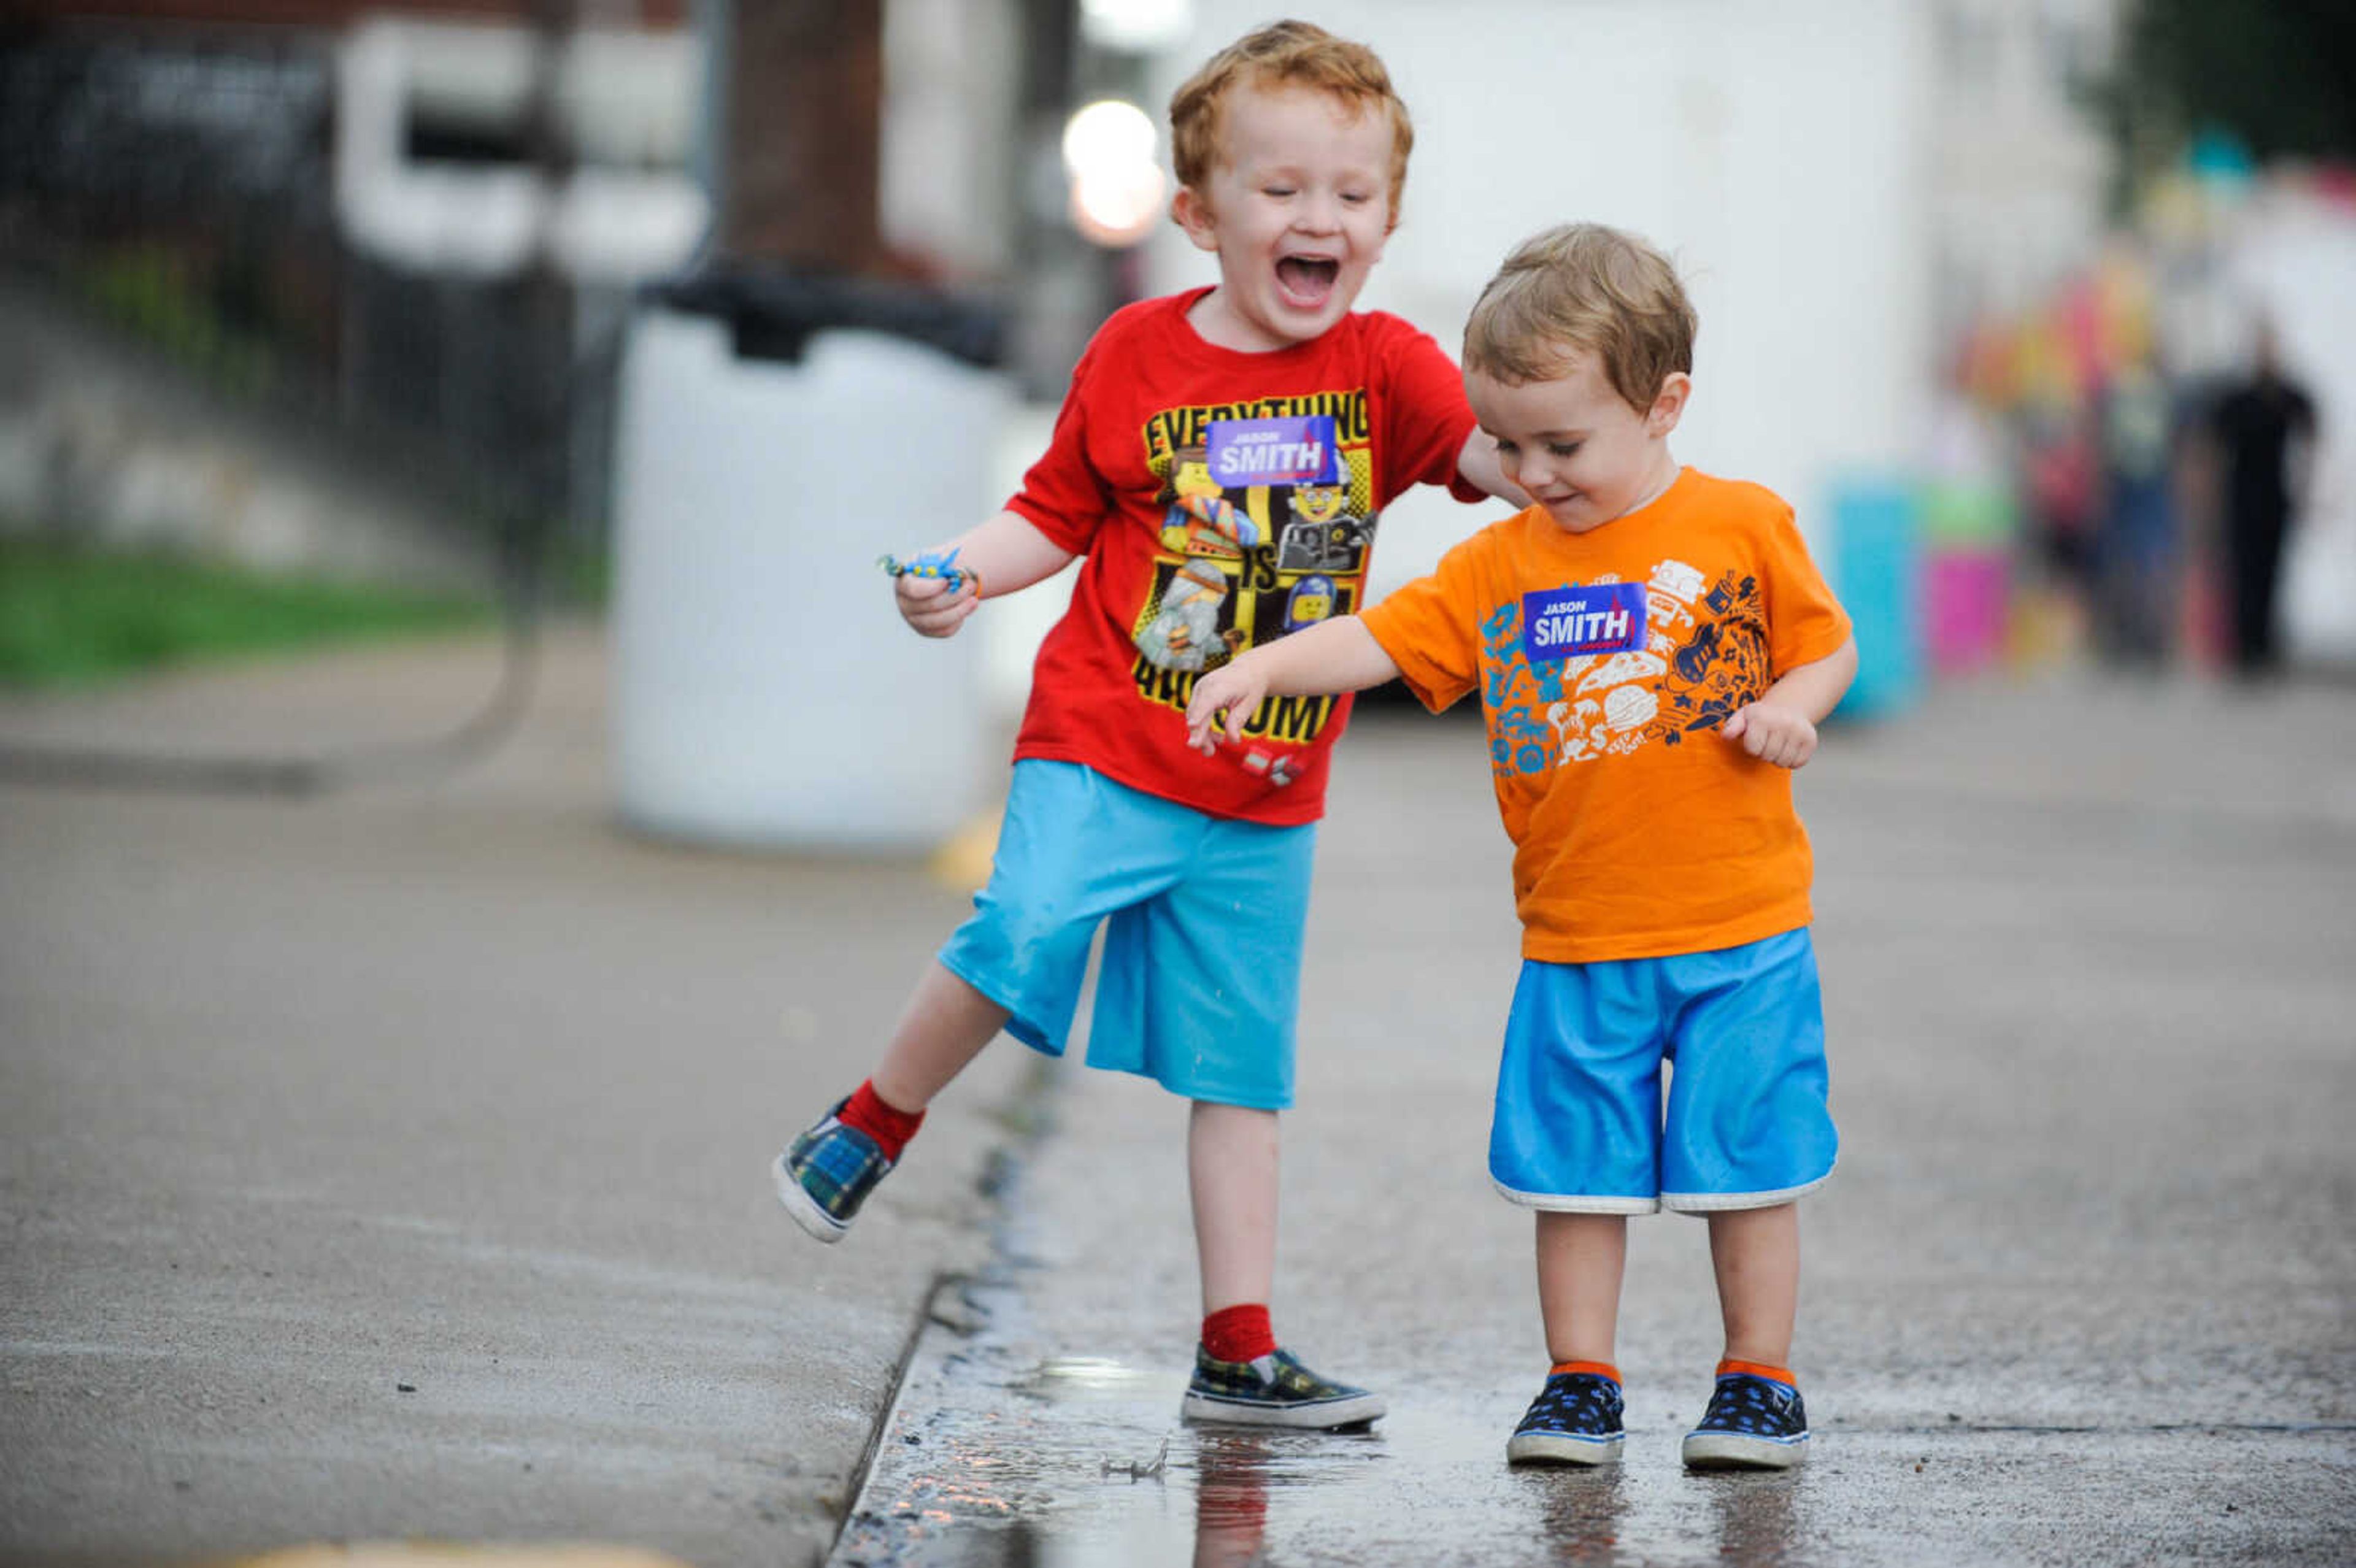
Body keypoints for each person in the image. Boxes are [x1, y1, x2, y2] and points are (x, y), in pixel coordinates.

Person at [772, 20, 1515, 1431]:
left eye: (1351, 197)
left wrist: (1586, 475)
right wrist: (961, 571)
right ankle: (872, 1120)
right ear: (1198, 213)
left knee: (1241, 1077)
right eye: (1282, 188)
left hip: (1264, 791)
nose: (1320, 219)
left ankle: (1238, 1348)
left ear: (1387, 219)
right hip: (1104, 740)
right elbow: (1048, 511)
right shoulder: (1134, 354)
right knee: (1019, 928)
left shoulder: (1386, 369)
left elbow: (1496, 455)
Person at [1185, 223, 1858, 1470]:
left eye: (1563, 444)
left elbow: (1828, 644)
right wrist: (1262, 666)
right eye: (1505, 443)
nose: (1531, 471)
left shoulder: (1740, 524)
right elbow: (1382, 642)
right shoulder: (1501, 564)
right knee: (1575, 1179)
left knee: (1749, 1168)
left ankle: (1759, 1380)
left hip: (1743, 927)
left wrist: (1792, 712)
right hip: (1577, 935)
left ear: (1664, 407)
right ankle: (1580, 1383)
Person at [2209, 318, 2317, 679]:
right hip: (2241, 498)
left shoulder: (2289, 395)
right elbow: (2210, 444)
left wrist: (2307, 487)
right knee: (2244, 573)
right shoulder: (2239, 398)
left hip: (2275, 497)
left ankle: (2267, 647)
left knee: (2273, 574)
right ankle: (2246, 649)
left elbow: (2312, 433)